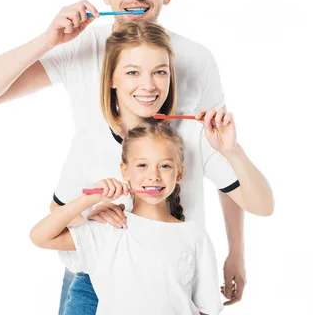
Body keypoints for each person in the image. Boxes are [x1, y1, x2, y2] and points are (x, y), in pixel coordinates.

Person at [0, 0, 248, 311]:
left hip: (173, 262)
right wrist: (48, 39)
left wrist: (236, 252)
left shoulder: (196, 58)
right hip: (95, 262)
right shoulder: (81, 47)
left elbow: (223, 159)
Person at [49, 21, 273, 314]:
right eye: (132, 72)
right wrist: (88, 217)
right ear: (111, 79)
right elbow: (57, 213)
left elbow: (262, 206)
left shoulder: (194, 136)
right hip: (96, 287)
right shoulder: (90, 141)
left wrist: (233, 152)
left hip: (172, 285)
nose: (149, 85)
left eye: (160, 72)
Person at [30, 118, 274, 315]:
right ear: (125, 171)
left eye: (165, 166)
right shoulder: (109, 228)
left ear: (179, 174)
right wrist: (89, 199)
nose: (154, 176)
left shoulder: (194, 236)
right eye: (142, 166)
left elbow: (206, 309)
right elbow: (41, 237)